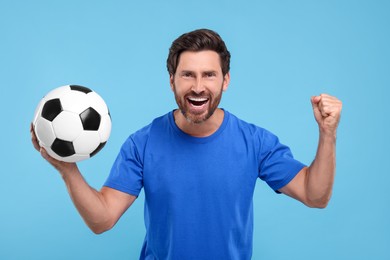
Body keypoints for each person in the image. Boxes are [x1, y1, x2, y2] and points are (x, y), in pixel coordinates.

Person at [31, 28, 342, 259]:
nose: (198, 87)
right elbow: (102, 219)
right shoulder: (143, 143)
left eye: (209, 75)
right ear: (172, 80)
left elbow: (315, 196)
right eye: (187, 75)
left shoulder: (255, 142)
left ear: (225, 80)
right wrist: (67, 170)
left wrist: (327, 133)